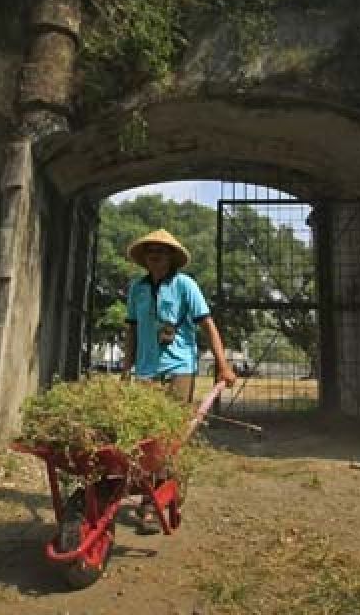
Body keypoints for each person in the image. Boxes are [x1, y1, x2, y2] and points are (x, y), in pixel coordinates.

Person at [121, 228, 236, 535]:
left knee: (168, 436)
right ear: (144, 258)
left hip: (179, 369)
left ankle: (155, 500)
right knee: (145, 436)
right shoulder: (137, 289)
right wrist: (125, 366)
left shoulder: (186, 286)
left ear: (171, 257)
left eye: (160, 251)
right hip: (146, 370)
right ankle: (153, 493)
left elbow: (208, 326)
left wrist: (223, 367)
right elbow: (131, 329)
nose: (154, 256)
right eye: (149, 252)